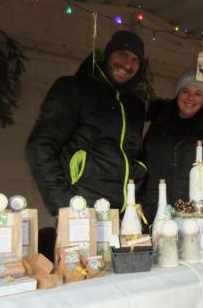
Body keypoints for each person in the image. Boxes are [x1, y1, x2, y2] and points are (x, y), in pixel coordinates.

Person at [26, 30, 147, 217]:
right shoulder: (74, 89)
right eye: (122, 54)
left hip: (122, 215)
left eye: (135, 59)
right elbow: (40, 145)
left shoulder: (134, 106)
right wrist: (65, 204)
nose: (127, 64)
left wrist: (138, 179)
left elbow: (130, 155)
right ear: (108, 55)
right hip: (80, 211)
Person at [139, 70, 203, 219]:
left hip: (196, 213)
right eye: (185, 91)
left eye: (198, 93)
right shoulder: (158, 125)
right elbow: (142, 166)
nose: (190, 98)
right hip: (156, 209)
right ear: (178, 93)